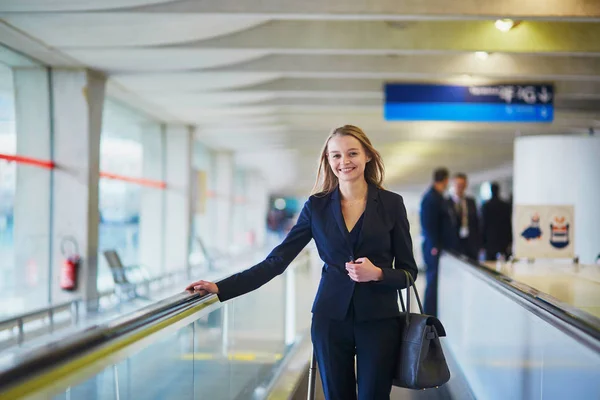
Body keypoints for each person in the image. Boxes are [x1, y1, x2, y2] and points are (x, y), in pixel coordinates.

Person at [186, 125, 418, 400]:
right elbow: (277, 260)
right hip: (330, 319)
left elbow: (409, 272)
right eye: (336, 155)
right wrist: (220, 287)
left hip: (379, 320)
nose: (344, 162)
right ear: (328, 161)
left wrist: (378, 274)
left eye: (352, 153)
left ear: (368, 155)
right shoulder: (316, 207)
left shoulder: (392, 204)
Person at [419, 167, 456, 317]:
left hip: (438, 246)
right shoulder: (430, 198)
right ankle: (428, 315)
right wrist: (434, 245)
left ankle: (434, 312)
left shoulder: (440, 197)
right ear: (445, 180)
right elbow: (428, 224)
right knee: (432, 280)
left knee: (436, 280)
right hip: (433, 247)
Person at [448, 173, 480, 260]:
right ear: (453, 185)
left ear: (466, 185)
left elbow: (476, 222)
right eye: (458, 185)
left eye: (462, 185)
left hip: (470, 243)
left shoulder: (471, 201)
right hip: (454, 244)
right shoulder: (447, 203)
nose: (460, 187)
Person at [481, 182, 513, 261]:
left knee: (490, 261)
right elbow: (508, 224)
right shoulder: (505, 205)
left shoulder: (486, 205)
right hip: (503, 238)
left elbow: (483, 224)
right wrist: (510, 239)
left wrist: (482, 241)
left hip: (490, 239)